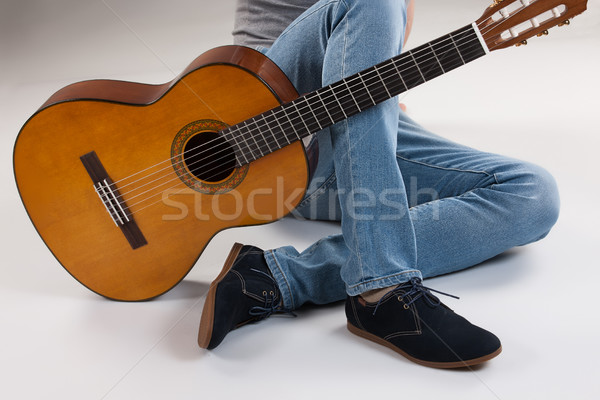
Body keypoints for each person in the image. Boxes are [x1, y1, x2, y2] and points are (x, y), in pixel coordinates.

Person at [197, 0, 560, 368]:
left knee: (535, 194)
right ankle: (380, 289)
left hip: (349, 132)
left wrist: (379, 93)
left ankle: (275, 277)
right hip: (264, 129)